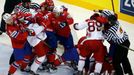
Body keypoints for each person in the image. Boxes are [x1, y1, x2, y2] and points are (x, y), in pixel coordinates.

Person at [98, 9, 133, 75]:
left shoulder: (111, 30)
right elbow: (108, 13)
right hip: (127, 41)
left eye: (108, 20)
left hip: (121, 46)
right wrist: (100, 11)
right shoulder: (117, 22)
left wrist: (102, 30)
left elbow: (107, 38)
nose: (107, 21)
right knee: (124, 58)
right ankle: (129, 72)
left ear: (111, 22)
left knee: (115, 62)